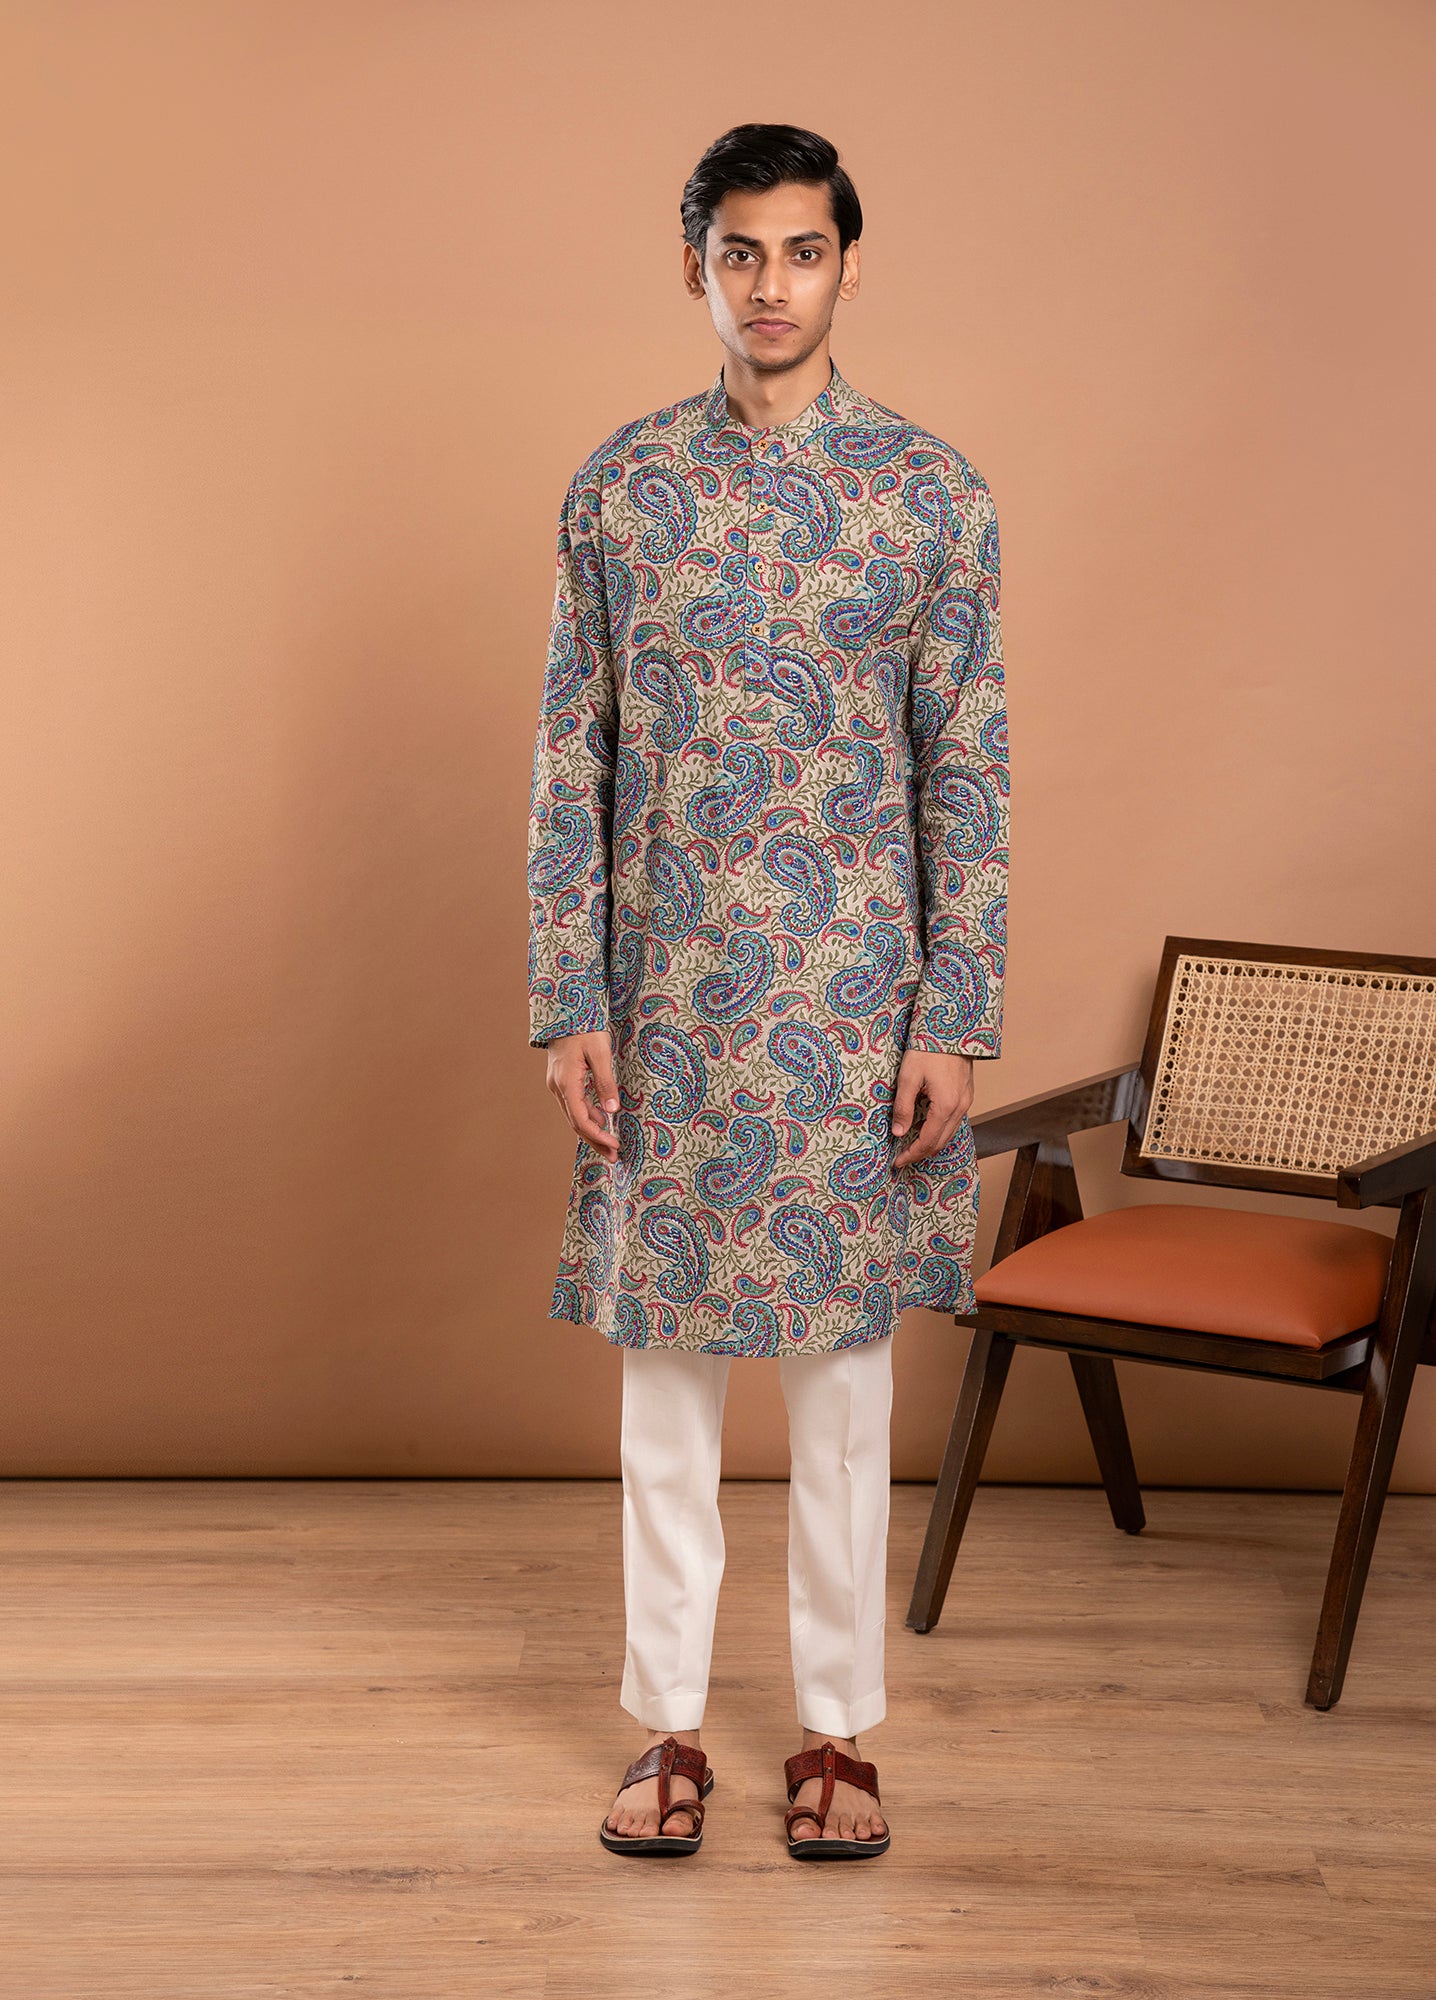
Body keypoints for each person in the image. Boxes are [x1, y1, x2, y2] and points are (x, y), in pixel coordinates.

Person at [525, 123, 1009, 1860]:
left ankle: (837, 1731)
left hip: (860, 1005)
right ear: (697, 268)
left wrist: (954, 1012)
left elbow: (969, 771)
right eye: (741, 252)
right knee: (665, 1393)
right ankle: (664, 1730)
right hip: (663, 1004)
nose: (772, 285)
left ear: (847, 265)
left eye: (803, 251)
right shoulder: (620, 490)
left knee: (843, 1396)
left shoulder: (934, 494)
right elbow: (570, 759)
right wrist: (568, 996)